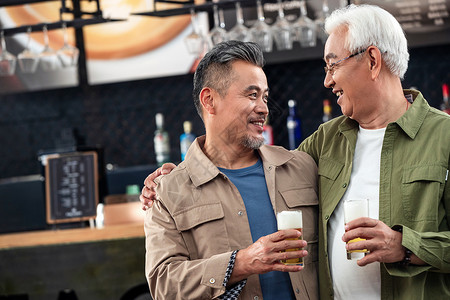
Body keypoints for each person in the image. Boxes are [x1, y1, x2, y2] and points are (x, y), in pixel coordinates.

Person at [141, 4, 450, 300]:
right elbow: (164, 284)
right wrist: (174, 177)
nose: (327, 80)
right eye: (252, 94)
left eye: (333, 64)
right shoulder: (325, 143)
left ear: (372, 60)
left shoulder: (443, 137)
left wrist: (404, 246)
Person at [144, 40, 319, 300]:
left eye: (265, 96)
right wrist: (242, 263)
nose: (263, 108)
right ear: (210, 100)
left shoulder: (302, 167)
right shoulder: (168, 192)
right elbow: (164, 286)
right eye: (251, 95)